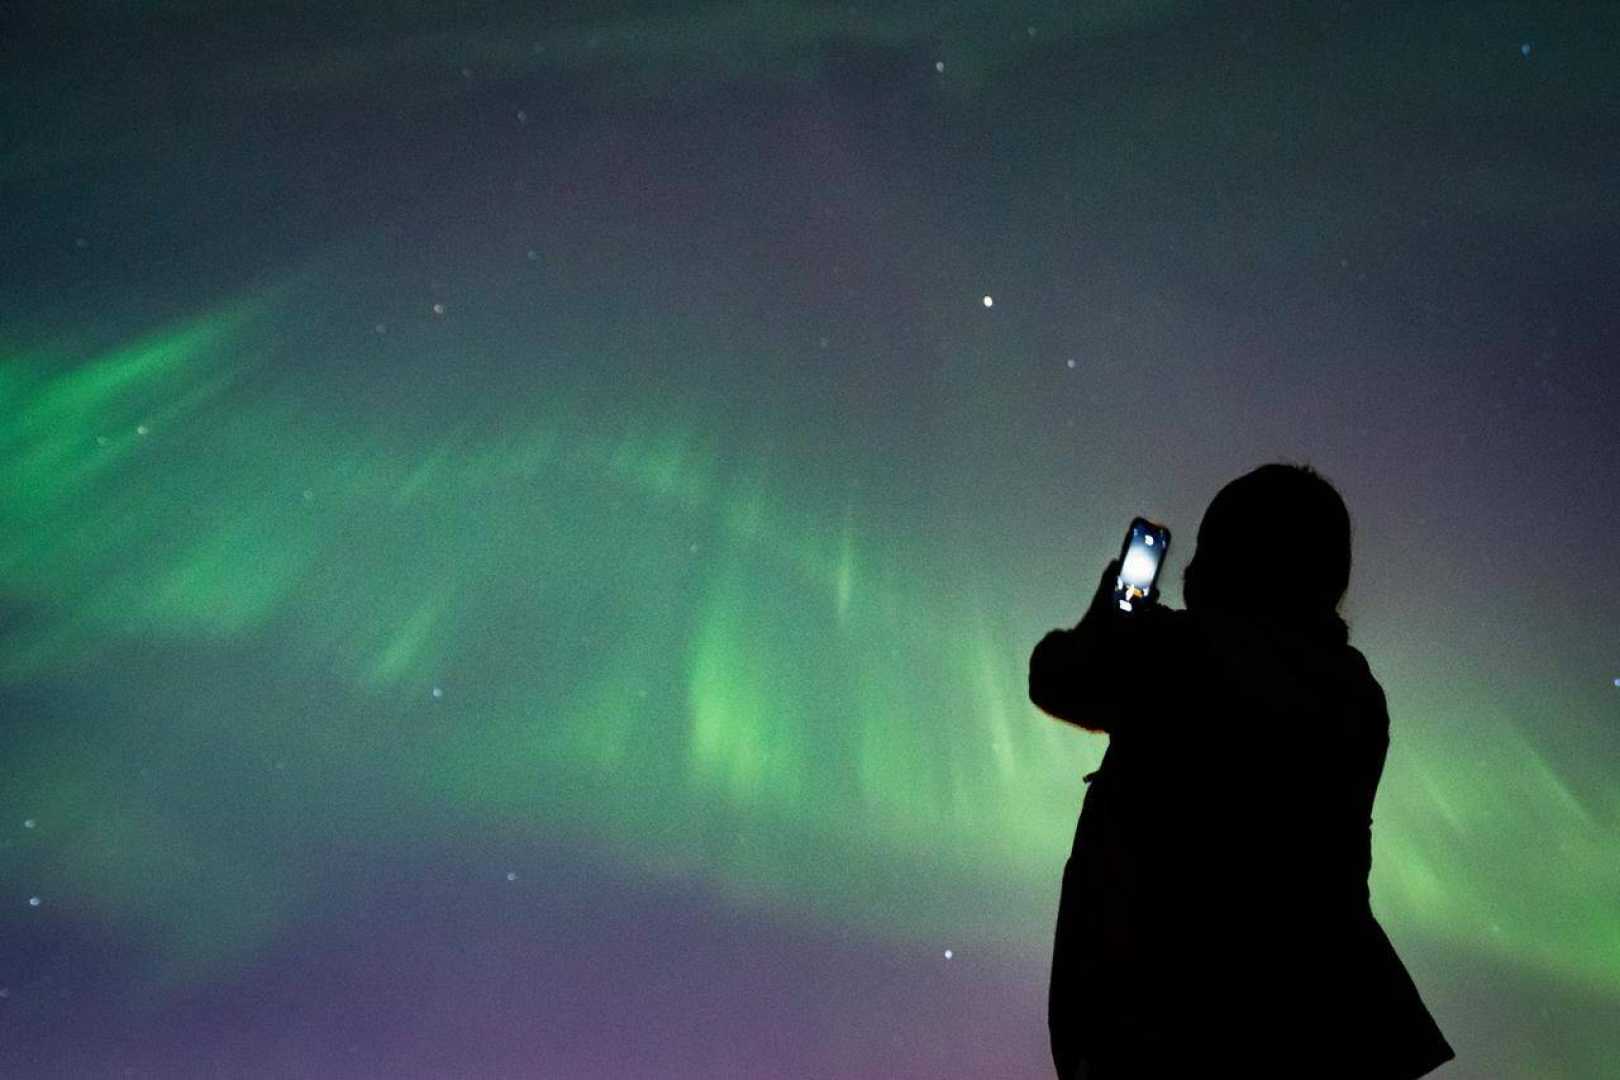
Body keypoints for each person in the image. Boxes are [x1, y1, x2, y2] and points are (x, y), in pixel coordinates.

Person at [1029, 463, 1455, 1079]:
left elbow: (1059, 677)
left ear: (1221, 559)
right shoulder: (1356, 690)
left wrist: (1114, 614)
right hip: (1327, 1024)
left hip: (1173, 1026)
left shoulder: (1182, 650)